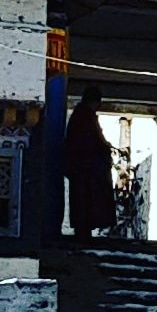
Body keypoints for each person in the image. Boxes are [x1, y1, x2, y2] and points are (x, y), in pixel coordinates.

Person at [62, 85, 117, 240]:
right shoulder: (84, 117)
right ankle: (83, 230)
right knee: (86, 202)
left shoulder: (82, 116)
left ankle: (84, 229)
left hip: (83, 170)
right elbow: (89, 143)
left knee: (83, 202)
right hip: (86, 170)